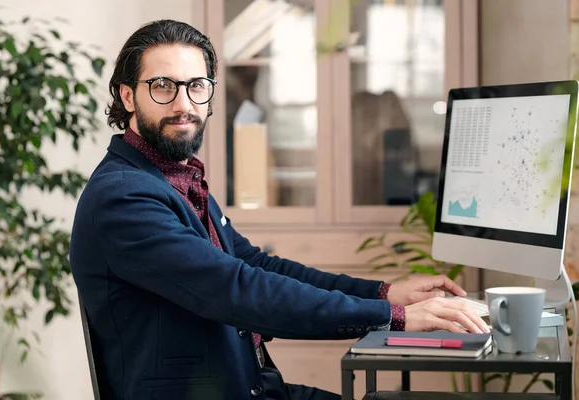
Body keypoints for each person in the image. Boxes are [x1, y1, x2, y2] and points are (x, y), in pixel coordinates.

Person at [69, 19, 489, 400]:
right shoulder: (124, 198)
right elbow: (238, 288)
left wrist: (385, 293)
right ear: (127, 95)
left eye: (197, 85)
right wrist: (394, 318)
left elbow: (256, 265)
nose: (184, 104)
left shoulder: (173, 178)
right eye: (163, 86)